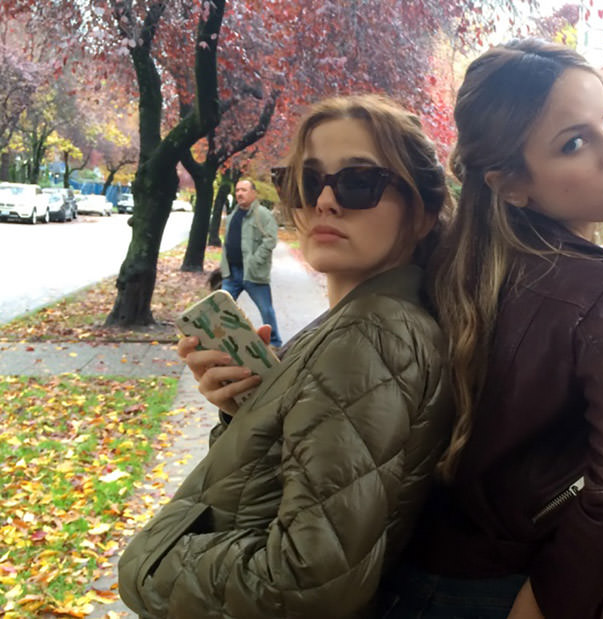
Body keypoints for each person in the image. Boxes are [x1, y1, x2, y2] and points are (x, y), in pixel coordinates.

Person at [118, 94, 455, 617]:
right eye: (305, 180)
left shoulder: (370, 336)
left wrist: (148, 561)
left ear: (423, 212)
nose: (323, 201)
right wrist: (250, 410)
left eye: (358, 182)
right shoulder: (370, 320)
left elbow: (306, 582)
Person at [383, 39, 603, 619]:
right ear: (511, 184)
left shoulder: (445, 271)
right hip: (521, 590)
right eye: (574, 143)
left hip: (412, 580)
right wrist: (549, 601)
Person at [220, 178, 283, 348]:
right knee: (221, 308)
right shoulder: (233, 214)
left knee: (266, 310)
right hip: (232, 274)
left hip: (252, 273)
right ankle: (222, 341)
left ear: (253, 193)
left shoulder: (262, 214)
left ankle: (276, 344)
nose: (240, 193)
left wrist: (256, 261)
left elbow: (270, 240)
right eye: (238, 190)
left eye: (244, 190)